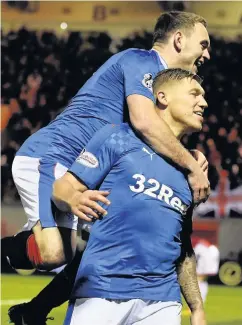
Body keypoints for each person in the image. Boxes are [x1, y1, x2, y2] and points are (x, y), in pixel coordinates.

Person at [7, 11, 210, 324]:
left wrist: (191, 153)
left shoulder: (156, 86)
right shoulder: (142, 60)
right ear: (179, 40)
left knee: (83, 253)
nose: (207, 54)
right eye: (203, 44)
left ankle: (32, 310)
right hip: (51, 157)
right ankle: (30, 299)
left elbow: (159, 130)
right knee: (53, 255)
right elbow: (144, 122)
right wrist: (192, 166)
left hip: (82, 168)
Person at [56, 68, 208, 325]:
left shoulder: (191, 170)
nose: (203, 102)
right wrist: (72, 198)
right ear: (162, 97)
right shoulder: (118, 137)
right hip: (101, 291)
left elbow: (182, 247)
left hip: (162, 301)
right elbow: (61, 189)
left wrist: (197, 308)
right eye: (194, 94)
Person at [193, 238, 220, 302]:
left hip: (204, 269)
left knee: (198, 283)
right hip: (210, 269)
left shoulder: (200, 247)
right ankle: (200, 302)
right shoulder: (213, 248)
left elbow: (194, 255)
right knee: (202, 283)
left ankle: (198, 303)